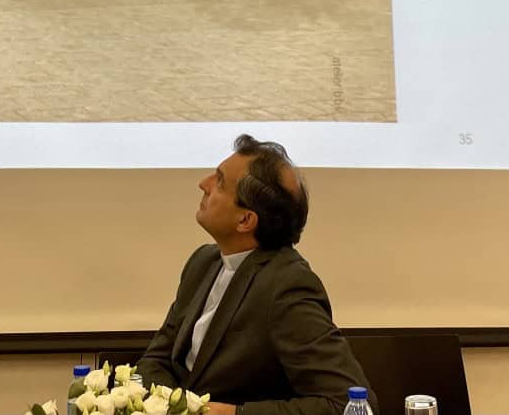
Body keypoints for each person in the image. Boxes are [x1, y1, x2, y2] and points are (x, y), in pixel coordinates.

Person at [136, 135, 372, 415]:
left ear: (246, 220)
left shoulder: (287, 287)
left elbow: (346, 403)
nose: (204, 184)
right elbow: (156, 360)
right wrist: (176, 407)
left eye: (220, 182)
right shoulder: (203, 262)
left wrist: (232, 414)